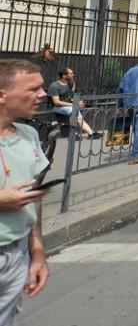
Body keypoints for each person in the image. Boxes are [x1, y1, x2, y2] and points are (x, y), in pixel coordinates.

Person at [0, 60, 51, 322]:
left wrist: (38, 252)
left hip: (17, 256)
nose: (43, 94)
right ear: (2, 94)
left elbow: (34, 199)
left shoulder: (29, 135)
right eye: (34, 89)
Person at [46, 67, 101, 139]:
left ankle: (89, 133)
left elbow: (71, 94)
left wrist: (78, 102)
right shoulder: (54, 86)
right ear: (64, 76)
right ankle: (77, 133)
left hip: (68, 106)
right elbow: (56, 102)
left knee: (76, 112)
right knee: (73, 110)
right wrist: (74, 105)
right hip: (57, 107)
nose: (73, 75)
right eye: (71, 74)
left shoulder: (69, 83)